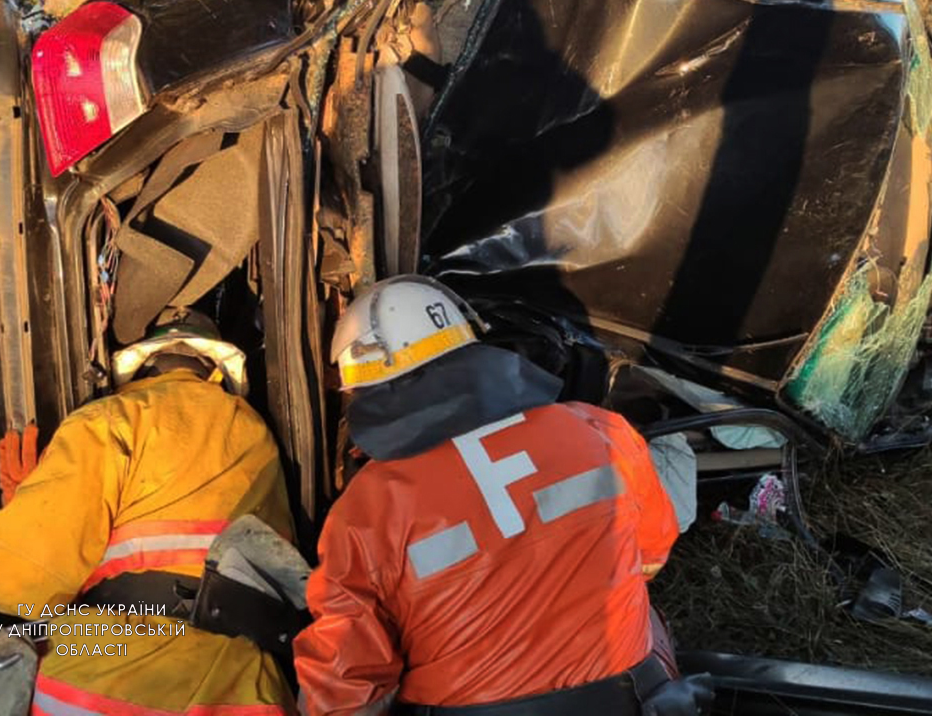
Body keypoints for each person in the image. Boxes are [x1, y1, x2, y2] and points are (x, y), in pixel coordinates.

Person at [292, 276, 713, 716]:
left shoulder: (363, 513)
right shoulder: (598, 429)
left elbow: (345, 683)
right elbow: (650, 553)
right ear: (474, 351)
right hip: (624, 700)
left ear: (364, 392)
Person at [0, 308, 298, 716]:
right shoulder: (260, 439)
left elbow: (24, 592)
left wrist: (23, 512)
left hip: (111, 651)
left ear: (137, 370)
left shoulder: (109, 420)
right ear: (218, 373)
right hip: (245, 678)